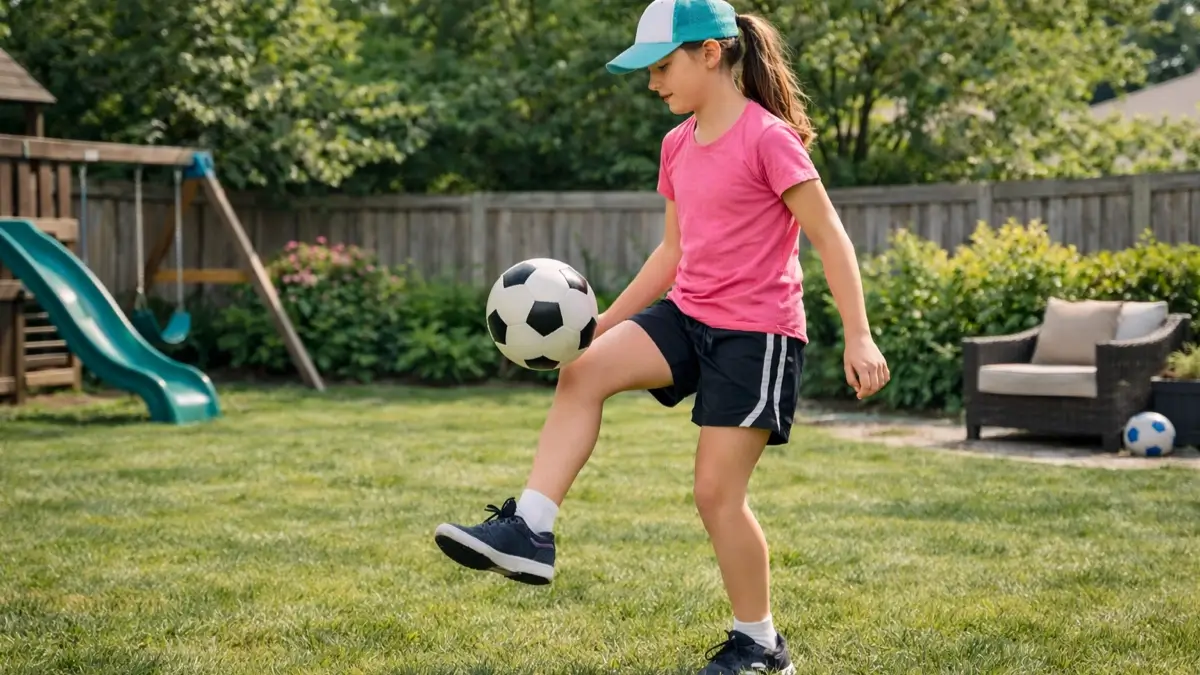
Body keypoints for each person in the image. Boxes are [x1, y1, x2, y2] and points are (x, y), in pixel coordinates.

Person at [433, 0, 890, 672]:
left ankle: (761, 646)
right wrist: (600, 326)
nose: (652, 82)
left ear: (711, 53)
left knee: (715, 494)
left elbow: (829, 236)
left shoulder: (768, 139)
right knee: (582, 370)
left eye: (662, 66)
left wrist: (860, 335)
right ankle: (531, 527)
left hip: (755, 334)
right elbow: (673, 252)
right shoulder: (676, 144)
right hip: (688, 313)